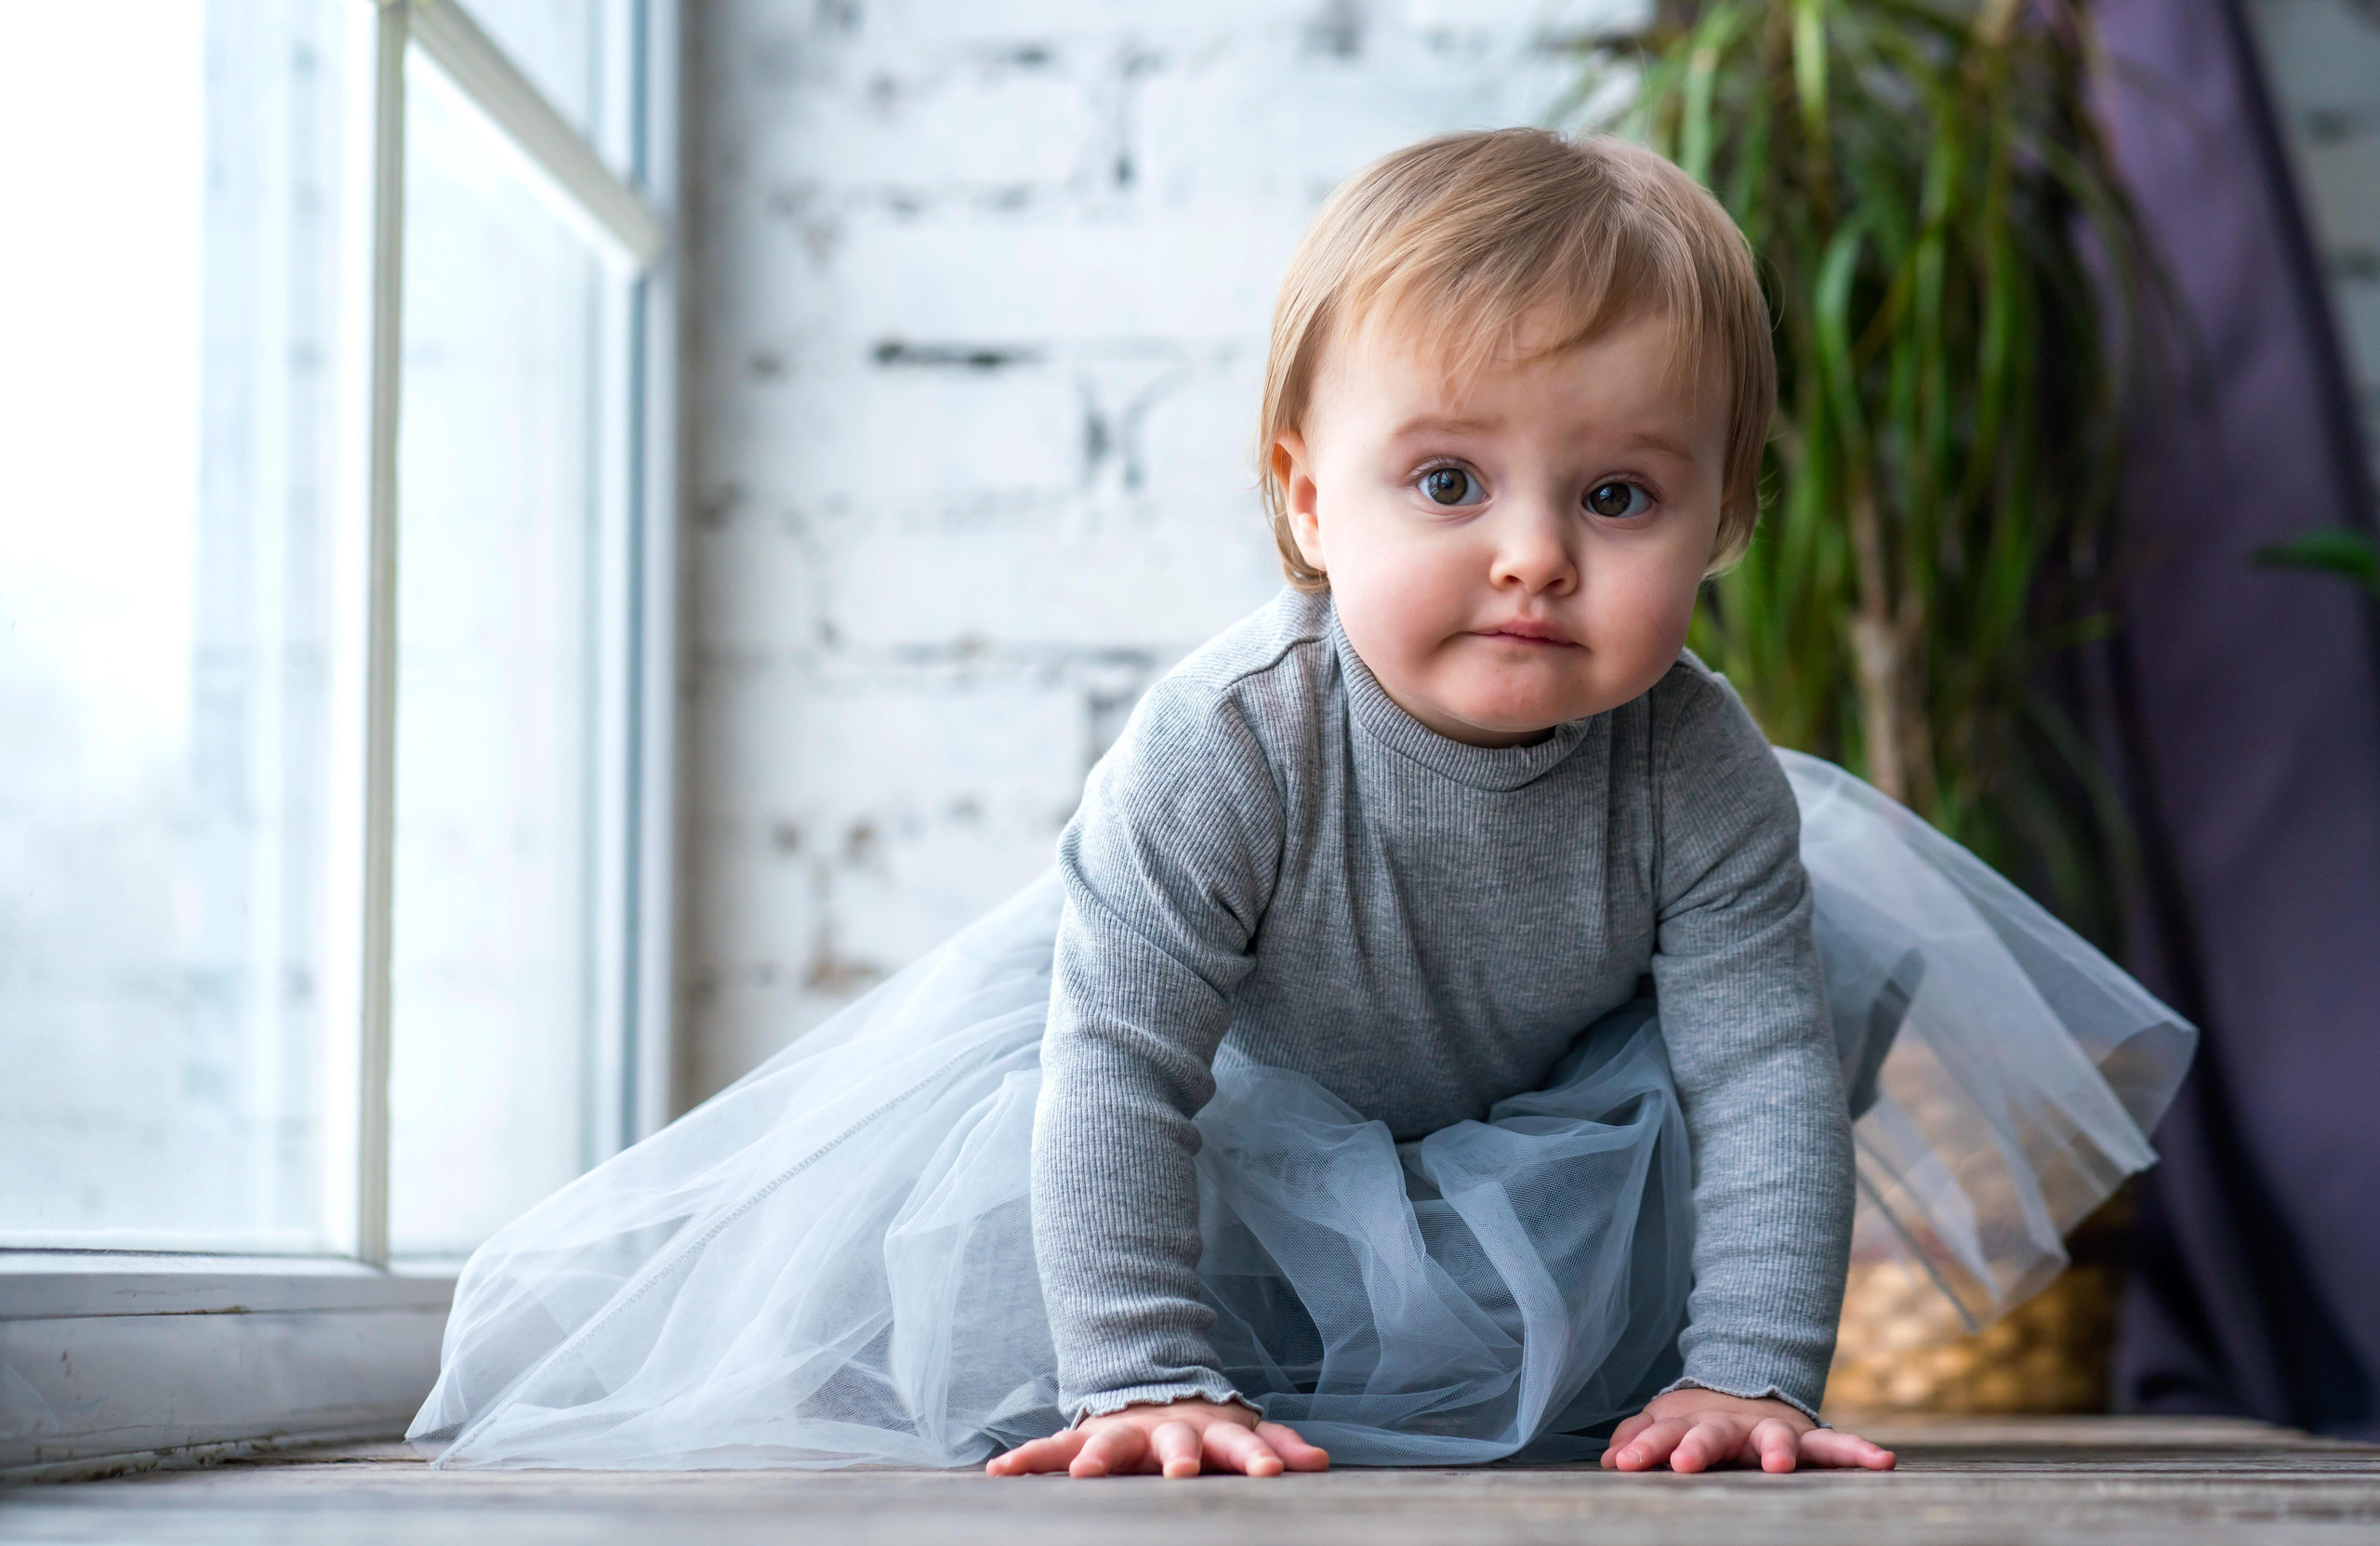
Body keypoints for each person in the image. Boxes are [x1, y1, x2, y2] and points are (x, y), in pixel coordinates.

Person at [408, 129, 2194, 1478]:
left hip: (1535, 1117)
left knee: (1775, 1034)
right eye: (1445, 478)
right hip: (1239, 1126)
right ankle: (1162, 1365)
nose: (1531, 555)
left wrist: (1753, 1369)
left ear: (1725, 521)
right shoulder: (1231, 742)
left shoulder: (1699, 771)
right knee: (1093, 1210)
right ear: (1311, 501)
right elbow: (1121, 1064)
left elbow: (1760, 1083)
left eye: (1623, 498)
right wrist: (1136, 1368)